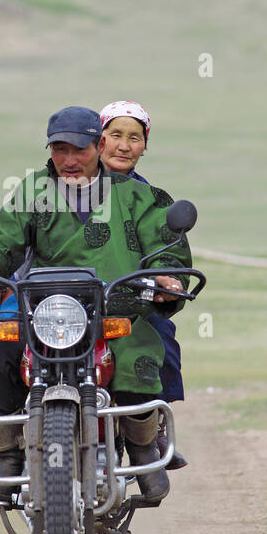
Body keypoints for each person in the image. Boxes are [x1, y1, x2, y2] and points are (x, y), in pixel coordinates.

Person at [0, 107, 189, 504]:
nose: (70, 160)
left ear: (99, 145)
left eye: (80, 149)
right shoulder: (33, 191)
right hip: (45, 309)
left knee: (140, 358)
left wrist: (166, 277)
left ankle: (143, 449)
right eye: (60, 149)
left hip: (116, 307)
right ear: (50, 149)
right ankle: (5, 453)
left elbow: (163, 247)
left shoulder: (140, 196)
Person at [97, 100, 188, 469]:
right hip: (65, 300)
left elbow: (166, 250)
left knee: (160, 335)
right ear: (99, 140)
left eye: (134, 138)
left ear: (145, 145)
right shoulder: (65, 187)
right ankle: (8, 435)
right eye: (116, 135)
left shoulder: (152, 199)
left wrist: (167, 280)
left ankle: (151, 430)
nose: (124, 145)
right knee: (5, 339)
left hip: (128, 300)